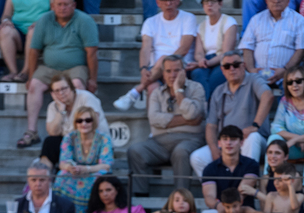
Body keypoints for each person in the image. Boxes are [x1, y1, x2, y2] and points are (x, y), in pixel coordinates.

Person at [16, 0, 99, 149]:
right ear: (52, 6)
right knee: (34, 85)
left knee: (78, 85)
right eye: (59, 4)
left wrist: (93, 79)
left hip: (75, 66)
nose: (62, 8)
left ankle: (77, 130)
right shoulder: (44, 20)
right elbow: (34, 50)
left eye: (66, 4)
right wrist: (30, 76)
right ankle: (31, 131)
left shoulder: (84, 20)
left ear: (74, 5)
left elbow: (92, 52)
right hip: (49, 67)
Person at [127, 57, 205, 197]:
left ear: (184, 71)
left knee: (180, 152)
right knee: (135, 150)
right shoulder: (157, 93)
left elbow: (193, 113)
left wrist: (179, 90)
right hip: (160, 143)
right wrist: (187, 120)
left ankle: (182, 200)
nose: (172, 75)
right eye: (168, 71)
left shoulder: (196, 88)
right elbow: (154, 119)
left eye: (177, 70)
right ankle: (141, 202)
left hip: (189, 140)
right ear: (163, 73)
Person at [188, 52, 272, 178]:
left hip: (250, 141)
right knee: (197, 157)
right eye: (227, 66)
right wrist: (214, 149)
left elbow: (268, 96)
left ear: (243, 66)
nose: (232, 69)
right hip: (227, 142)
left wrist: (255, 125)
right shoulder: (218, 91)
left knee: (253, 137)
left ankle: (246, 188)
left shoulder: (254, 79)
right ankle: (221, 194)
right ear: (222, 70)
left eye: (236, 65)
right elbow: (211, 126)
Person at [114, 0, 197, 111]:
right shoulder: (150, 22)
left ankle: (135, 91)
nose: (168, 3)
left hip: (181, 66)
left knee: (163, 58)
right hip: (156, 70)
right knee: (153, 87)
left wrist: (166, 63)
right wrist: (143, 69)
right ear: (158, 3)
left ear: (178, 1)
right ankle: (153, 126)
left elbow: (184, 49)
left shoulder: (188, 18)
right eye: (164, 1)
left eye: (172, 0)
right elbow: (145, 49)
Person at [53, 104, 111, 213]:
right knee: (62, 175)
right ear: (75, 123)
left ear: (93, 122)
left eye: (88, 120)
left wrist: (86, 169)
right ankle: (61, 212)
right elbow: (63, 162)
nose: (84, 124)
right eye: (80, 121)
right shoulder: (69, 137)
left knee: (100, 176)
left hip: (94, 172)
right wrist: (70, 167)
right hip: (75, 172)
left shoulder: (103, 138)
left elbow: (106, 165)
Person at [239, 0, 304, 88]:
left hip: (287, 75)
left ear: (288, 1)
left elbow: (302, 49)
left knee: (293, 88)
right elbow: (247, 47)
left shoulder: (298, 20)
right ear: (266, 1)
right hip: (257, 75)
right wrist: (251, 70)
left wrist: (285, 70)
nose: (276, 1)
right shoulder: (256, 19)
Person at [40, 72, 106, 169]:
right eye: (57, 91)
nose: (61, 93)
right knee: (50, 142)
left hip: (92, 141)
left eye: (64, 89)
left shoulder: (86, 98)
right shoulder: (53, 106)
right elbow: (53, 132)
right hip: (70, 143)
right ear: (52, 94)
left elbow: (93, 124)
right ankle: (43, 175)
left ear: (71, 87)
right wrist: (61, 110)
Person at [185, 0, 238, 101]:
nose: (209, 5)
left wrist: (207, 63)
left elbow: (226, 53)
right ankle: (205, 109)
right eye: (205, 2)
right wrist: (200, 60)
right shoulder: (201, 26)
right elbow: (199, 52)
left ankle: (206, 109)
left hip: (224, 61)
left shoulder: (229, 22)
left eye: (213, 1)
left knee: (215, 78)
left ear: (220, 4)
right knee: (197, 73)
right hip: (206, 61)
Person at [201, 124, 260, 212]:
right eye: (225, 139)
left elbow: (242, 192)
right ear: (219, 143)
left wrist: (231, 208)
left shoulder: (251, 164)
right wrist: (219, 206)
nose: (229, 143)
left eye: (233, 139)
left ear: (241, 142)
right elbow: (209, 197)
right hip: (219, 210)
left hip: (244, 210)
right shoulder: (210, 168)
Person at [0, 0, 47, 83]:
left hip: (41, 29)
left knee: (33, 32)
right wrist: (6, 21)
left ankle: (25, 72)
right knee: (4, 30)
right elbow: (6, 15)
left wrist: (41, 23)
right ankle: (13, 72)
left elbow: (54, 13)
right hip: (18, 29)